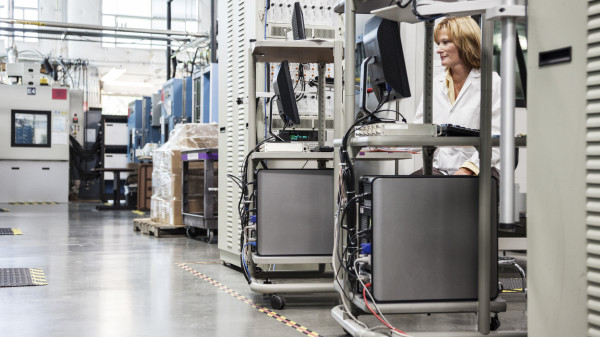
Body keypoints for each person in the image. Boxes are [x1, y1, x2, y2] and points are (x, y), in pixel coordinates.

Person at [413, 17, 501, 179]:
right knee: (406, 190)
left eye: (445, 42)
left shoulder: (492, 82)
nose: (439, 49)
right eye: (438, 43)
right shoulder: (435, 84)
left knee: (454, 190)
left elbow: (498, 136)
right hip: (440, 167)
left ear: (465, 43)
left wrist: (468, 169)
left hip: (481, 168)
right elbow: (419, 129)